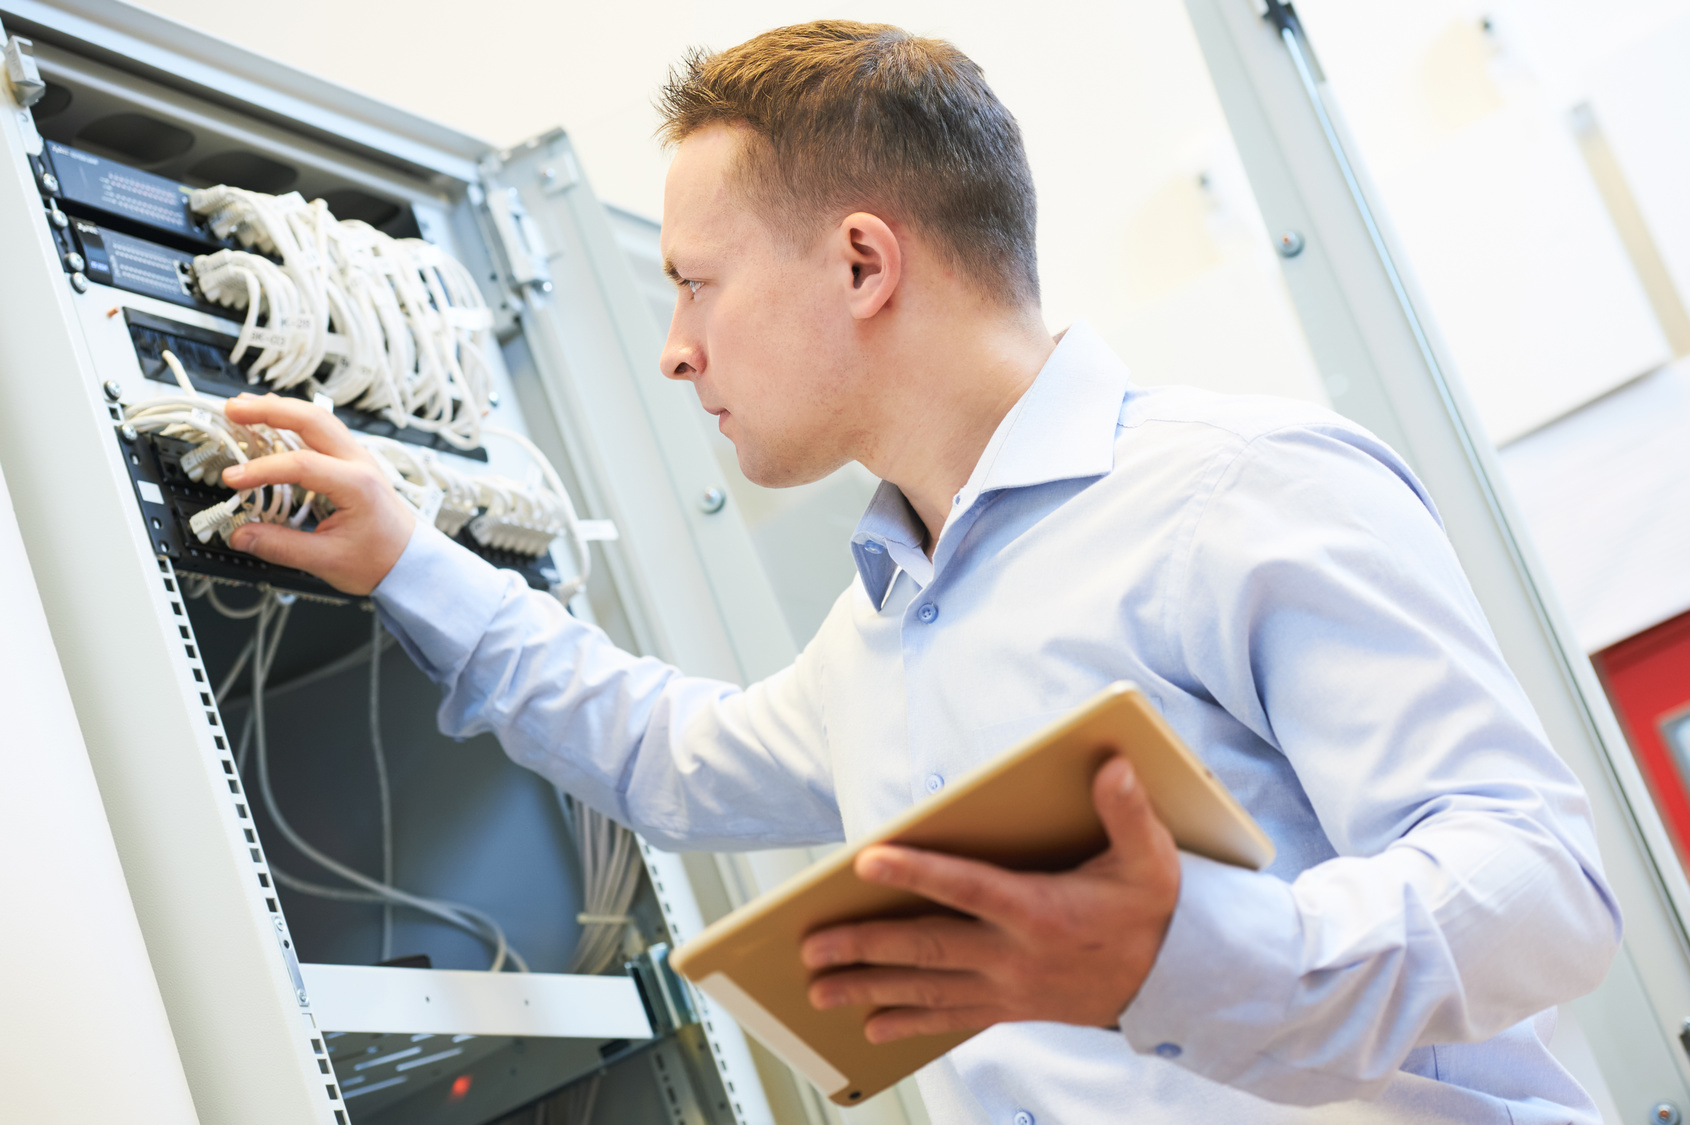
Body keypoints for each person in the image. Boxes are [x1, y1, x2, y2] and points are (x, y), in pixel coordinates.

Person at [217, 20, 1620, 1124]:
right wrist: (407, 552)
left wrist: (1185, 948)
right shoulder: (879, 635)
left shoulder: (1240, 495)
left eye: (695, 284)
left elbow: (1542, 883)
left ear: (863, 261)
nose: (673, 350)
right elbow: (666, 753)